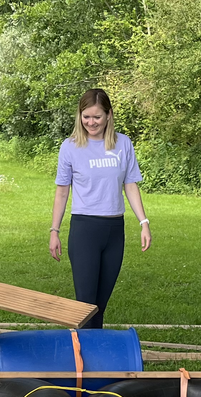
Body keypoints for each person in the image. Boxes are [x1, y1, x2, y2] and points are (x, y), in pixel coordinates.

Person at [49, 88, 151, 329]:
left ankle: (94, 355)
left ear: (108, 115)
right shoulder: (70, 147)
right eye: (86, 116)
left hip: (114, 230)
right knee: (85, 304)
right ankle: (82, 357)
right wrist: (55, 230)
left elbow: (130, 184)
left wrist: (143, 222)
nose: (91, 122)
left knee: (100, 305)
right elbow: (62, 191)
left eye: (97, 117)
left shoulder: (123, 143)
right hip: (85, 229)